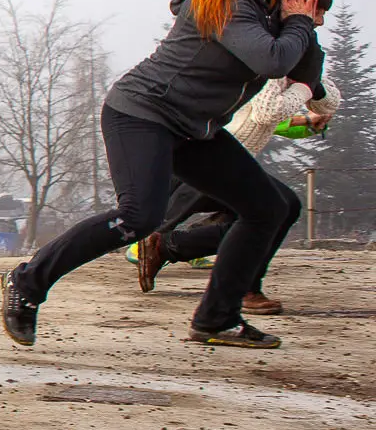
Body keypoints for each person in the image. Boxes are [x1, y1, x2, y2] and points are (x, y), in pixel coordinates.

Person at [0, 0, 324, 350]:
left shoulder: (270, 2)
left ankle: (217, 319)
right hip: (142, 114)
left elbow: (306, 73)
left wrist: (303, 22)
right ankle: (26, 281)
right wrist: (298, 24)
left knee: (268, 206)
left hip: (194, 127)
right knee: (140, 217)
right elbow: (272, 61)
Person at [136, 31, 337, 309]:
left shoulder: (294, 57)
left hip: (224, 157)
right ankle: (237, 288)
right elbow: (266, 112)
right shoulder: (271, 58)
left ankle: (167, 247)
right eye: (317, 14)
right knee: (275, 208)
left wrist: (311, 90)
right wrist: (303, 88)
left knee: (271, 211)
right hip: (205, 152)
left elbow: (321, 104)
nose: (320, 22)